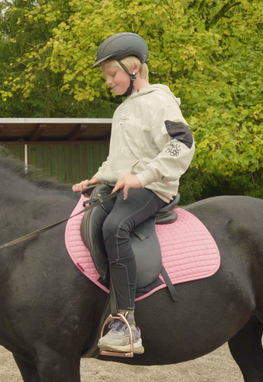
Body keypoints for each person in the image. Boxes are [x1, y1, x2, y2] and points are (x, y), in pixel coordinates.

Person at [72, 32, 195, 354]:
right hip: (123, 184)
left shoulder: (159, 101)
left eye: (111, 75)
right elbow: (120, 158)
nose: (108, 82)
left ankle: (126, 323)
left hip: (153, 187)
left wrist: (144, 176)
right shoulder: (124, 109)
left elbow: (181, 143)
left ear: (133, 69)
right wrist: (97, 177)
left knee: (116, 227)